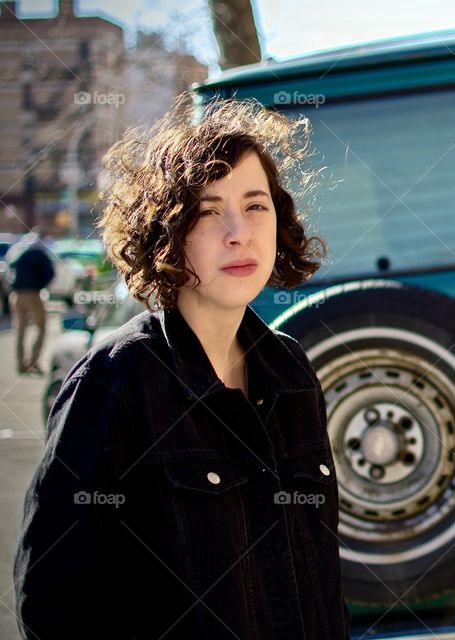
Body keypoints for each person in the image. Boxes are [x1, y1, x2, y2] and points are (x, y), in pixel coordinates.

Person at [13, 93, 351, 639]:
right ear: (165, 233)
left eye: (256, 204)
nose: (239, 230)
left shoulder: (289, 370)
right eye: (208, 211)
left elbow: (322, 582)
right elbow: (55, 607)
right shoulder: (113, 384)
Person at [6, 229, 55, 375]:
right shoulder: (40, 252)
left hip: (16, 294)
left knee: (20, 329)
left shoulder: (18, 249)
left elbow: (9, 270)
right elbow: (50, 273)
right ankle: (34, 362)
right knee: (41, 327)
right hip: (33, 293)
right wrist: (40, 286)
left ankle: (20, 363)